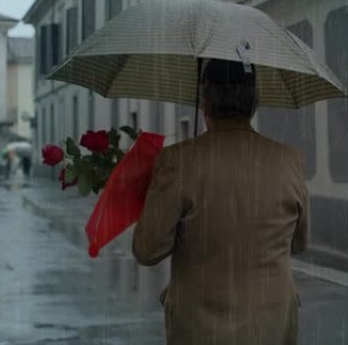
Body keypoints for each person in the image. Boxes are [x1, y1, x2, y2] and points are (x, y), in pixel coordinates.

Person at [132, 59, 310, 345]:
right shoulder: (289, 160)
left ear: (206, 104)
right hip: (272, 325)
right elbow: (298, 244)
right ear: (254, 104)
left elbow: (147, 249)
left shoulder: (178, 161)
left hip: (201, 328)